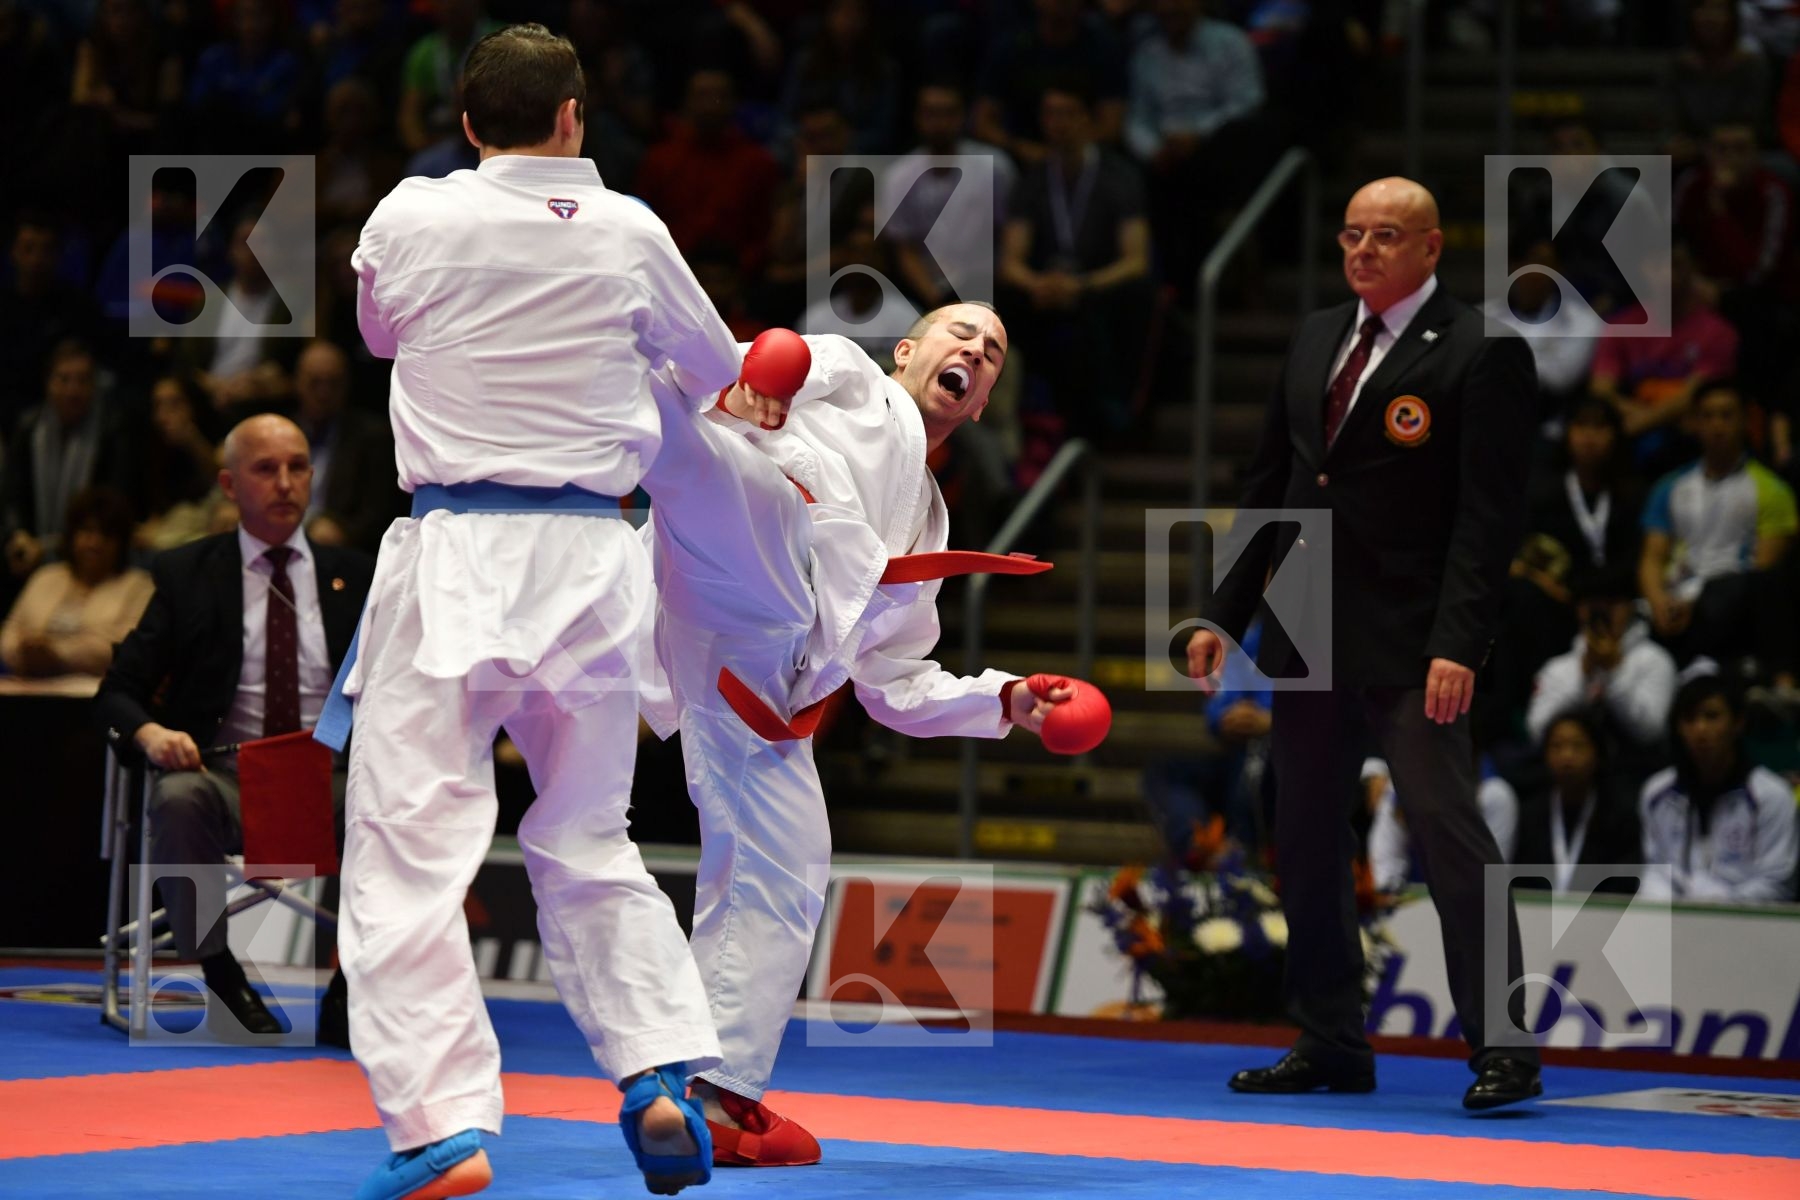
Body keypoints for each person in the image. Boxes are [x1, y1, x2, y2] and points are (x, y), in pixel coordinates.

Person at [335, 24, 737, 1198]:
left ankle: (442, 1128)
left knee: (410, 849)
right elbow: (718, 371)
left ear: (467, 125)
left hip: (458, 550)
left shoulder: (411, 215)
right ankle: (658, 1074)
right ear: (573, 116)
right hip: (594, 562)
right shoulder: (632, 230)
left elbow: (377, 334)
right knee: (589, 837)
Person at [637, 307, 1085, 1166]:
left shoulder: (927, 519)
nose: (976, 350)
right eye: (961, 333)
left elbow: (893, 681)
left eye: (993, 353)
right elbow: (758, 363)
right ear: (905, 352)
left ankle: (710, 1090)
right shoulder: (848, 374)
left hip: (757, 683)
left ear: (982, 404)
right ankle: (600, 344)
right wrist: (748, 383)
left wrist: (1006, 700)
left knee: (788, 861)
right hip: (741, 546)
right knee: (702, 440)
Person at [1186, 177, 1543, 1109]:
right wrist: (1221, 614)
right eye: (1352, 235)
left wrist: (1459, 641)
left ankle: (1505, 1047)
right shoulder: (1315, 337)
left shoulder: (1481, 349)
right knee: (1302, 831)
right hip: (1308, 624)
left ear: (1431, 248)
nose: (1363, 250)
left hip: (1416, 639)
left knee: (1448, 830)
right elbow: (1270, 484)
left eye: (1386, 235)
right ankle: (1330, 1038)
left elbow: (1488, 517)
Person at [93, 415, 373, 1043]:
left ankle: (350, 987)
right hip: (225, 778)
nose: (285, 483)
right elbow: (117, 694)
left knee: (396, 801)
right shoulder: (187, 574)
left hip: (329, 780)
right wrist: (152, 735)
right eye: (265, 469)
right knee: (177, 796)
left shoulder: (357, 576)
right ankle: (220, 973)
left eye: (297, 467)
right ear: (229, 485)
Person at [1638, 379, 1797, 672]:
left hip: (1732, 606)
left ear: (1746, 421)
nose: (1717, 425)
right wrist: (1659, 601)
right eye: (1708, 416)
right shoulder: (1669, 487)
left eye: (1726, 415)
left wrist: (1697, 605)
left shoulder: (1773, 491)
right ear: (1694, 423)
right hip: (1676, 602)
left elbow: (1763, 575)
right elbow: (1652, 558)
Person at [1639, 673, 1798, 902]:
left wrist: (1718, 904)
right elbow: (1656, 868)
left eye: (1711, 716)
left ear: (1738, 722)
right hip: (1674, 914)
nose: (1700, 729)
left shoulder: (1771, 796)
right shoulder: (1656, 793)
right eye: (1689, 719)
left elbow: (1777, 883)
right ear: (1679, 728)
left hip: (1744, 918)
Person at [1526, 566, 1678, 757]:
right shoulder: (1556, 669)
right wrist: (1584, 675)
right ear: (1580, 610)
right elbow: (1537, 731)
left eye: (1612, 603)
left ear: (1630, 606)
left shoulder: (1654, 660)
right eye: (1593, 604)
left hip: (1637, 766)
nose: (1603, 612)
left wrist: (1613, 669)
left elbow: (1651, 733)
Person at [1, 486, 151, 678]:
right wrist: (23, 653)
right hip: (27, 683)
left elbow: (127, 646)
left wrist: (57, 655)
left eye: (105, 534)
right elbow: (10, 631)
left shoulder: (139, 585)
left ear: (121, 543)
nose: (94, 543)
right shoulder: (46, 576)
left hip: (98, 689)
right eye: (87, 531)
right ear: (71, 535)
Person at [1513, 710, 1642, 894]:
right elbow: (1519, 880)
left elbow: (1625, 881)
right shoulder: (1530, 814)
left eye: (1578, 746)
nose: (1567, 756)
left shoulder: (1620, 815)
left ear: (1597, 753)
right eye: (1557, 746)